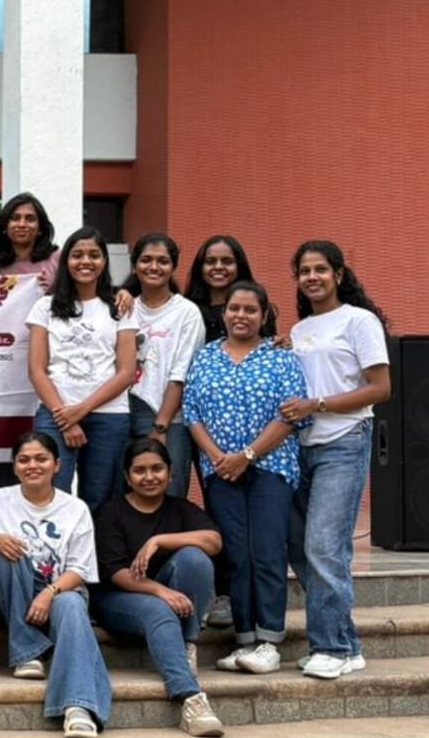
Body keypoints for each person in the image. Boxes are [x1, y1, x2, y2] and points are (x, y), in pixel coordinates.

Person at [183, 280, 308, 676]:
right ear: (224, 313)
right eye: (234, 308)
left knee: (267, 550)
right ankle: (245, 639)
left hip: (270, 467)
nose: (241, 315)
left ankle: (269, 640)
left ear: (264, 315)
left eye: (250, 310)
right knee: (236, 554)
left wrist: (248, 455)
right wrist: (218, 456)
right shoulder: (206, 356)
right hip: (220, 470)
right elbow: (192, 413)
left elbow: (290, 415)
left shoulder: (281, 357)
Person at [281, 240, 391, 681]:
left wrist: (318, 405)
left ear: (339, 274)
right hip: (302, 448)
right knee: (298, 544)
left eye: (320, 269)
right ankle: (346, 643)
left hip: (344, 440)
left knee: (324, 546)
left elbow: (380, 388)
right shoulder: (300, 329)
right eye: (304, 271)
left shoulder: (359, 320)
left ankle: (330, 647)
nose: (312, 277)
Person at [0, 431, 111, 738]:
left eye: (41, 459)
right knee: (10, 554)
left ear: (57, 465)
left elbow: (80, 569)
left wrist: (49, 594)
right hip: (5, 596)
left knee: (73, 602)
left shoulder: (75, 508)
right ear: (14, 466)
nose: (32, 466)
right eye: (24, 460)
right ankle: (26, 652)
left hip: (58, 592)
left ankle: (78, 708)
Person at [90, 438, 225, 737]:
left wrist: (159, 540)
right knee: (157, 609)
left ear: (170, 472)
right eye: (139, 471)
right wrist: (161, 592)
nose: (149, 477)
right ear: (127, 477)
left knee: (194, 557)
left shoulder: (180, 509)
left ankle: (186, 643)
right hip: (118, 599)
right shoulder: (111, 512)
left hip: (165, 597)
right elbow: (115, 573)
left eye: (156, 469)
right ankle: (191, 698)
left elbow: (214, 542)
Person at [26, 227, 138, 510]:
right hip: (55, 414)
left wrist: (81, 410)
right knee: (51, 493)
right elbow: (37, 370)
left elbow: (126, 372)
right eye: (77, 255)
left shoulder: (119, 306)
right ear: (66, 261)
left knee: (101, 498)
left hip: (108, 416)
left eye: (94, 255)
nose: (85, 261)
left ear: (104, 261)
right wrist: (67, 417)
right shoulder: (45, 307)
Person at [125, 233, 205, 498]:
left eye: (162, 261)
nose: (154, 267)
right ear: (134, 265)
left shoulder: (187, 312)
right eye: (146, 260)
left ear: (173, 267)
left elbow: (181, 373)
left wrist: (161, 427)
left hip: (169, 418)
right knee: (123, 496)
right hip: (123, 413)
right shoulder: (123, 306)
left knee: (169, 495)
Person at [184, 235, 264, 346]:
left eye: (227, 261)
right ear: (200, 267)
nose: (218, 267)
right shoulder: (187, 310)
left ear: (239, 266)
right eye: (210, 261)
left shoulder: (256, 308)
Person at [0, 192, 59, 289]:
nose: (22, 224)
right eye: (15, 218)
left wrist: (52, 291)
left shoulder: (58, 260)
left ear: (40, 228)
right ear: (4, 226)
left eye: (30, 219)